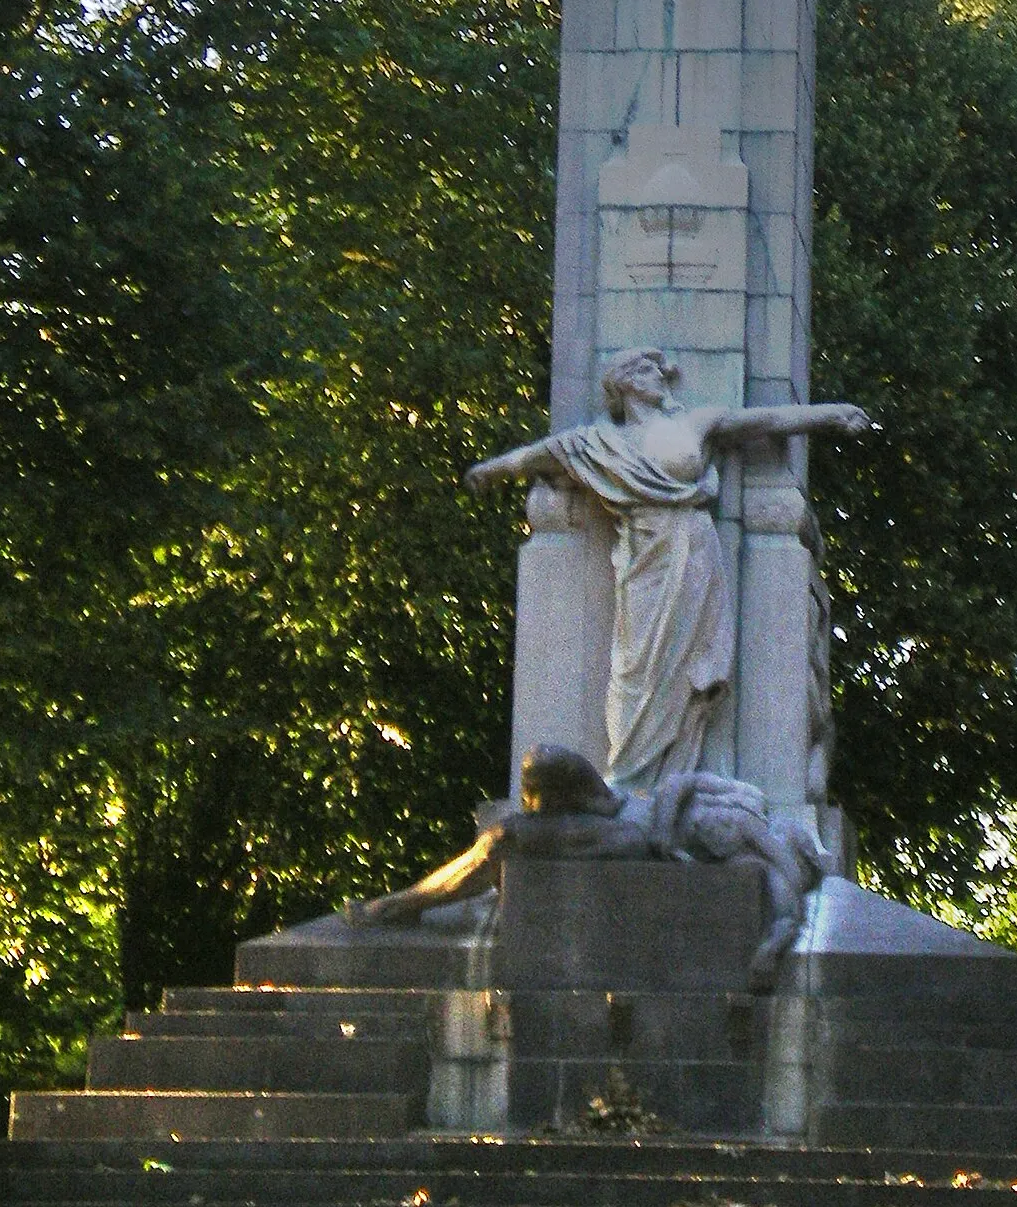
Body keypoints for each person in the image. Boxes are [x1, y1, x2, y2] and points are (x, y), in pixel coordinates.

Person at [464, 347, 871, 792]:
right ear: (627, 383)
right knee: (634, 667)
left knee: (688, 666)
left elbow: (766, 422)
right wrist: (488, 471)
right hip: (644, 556)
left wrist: (830, 415)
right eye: (649, 371)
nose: (660, 377)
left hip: (693, 549)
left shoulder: (694, 424)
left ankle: (673, 781)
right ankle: (628, 777)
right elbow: (534, 457)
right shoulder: (595, 444)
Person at [344, 744, 828, 991]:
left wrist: (769, 951)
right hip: (622, 808)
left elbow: (788, 918)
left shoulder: (771, 860)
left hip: (629, 840)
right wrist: (666, 830)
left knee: (503, 841)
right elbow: (682, 781)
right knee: (544, 759)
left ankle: (399, 905)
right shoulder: (756, 809)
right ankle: (539, 807)